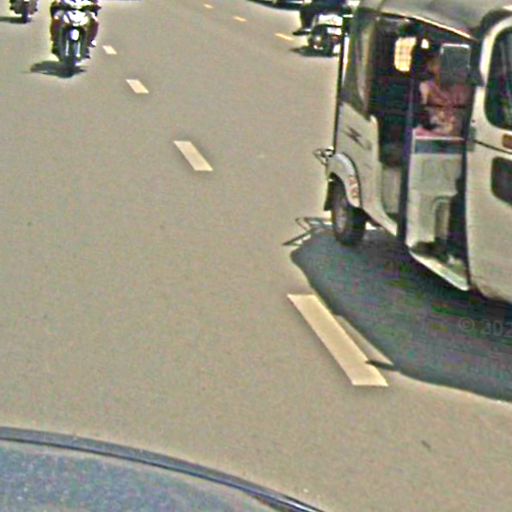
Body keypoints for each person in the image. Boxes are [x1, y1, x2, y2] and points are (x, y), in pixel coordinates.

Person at [417, 49, 471, 137]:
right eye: (438, 64)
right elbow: (421, 113)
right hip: (432, 133)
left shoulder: (463, 88)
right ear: (430, 67)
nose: (443, 69)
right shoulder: (425, 87)